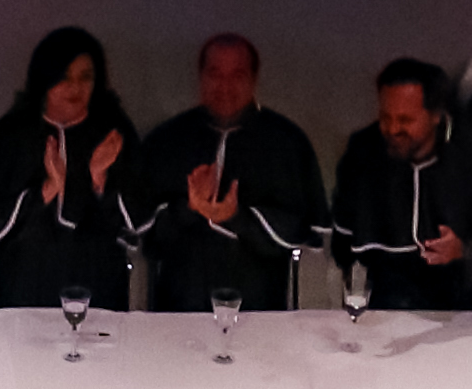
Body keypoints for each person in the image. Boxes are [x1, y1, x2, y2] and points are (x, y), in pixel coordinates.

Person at [122, 34, 327, 311]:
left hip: (260, 309)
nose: (224, 86)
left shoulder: (286, 142)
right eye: (214, 74)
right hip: (179, 307)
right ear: (201, 77)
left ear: (254, 79)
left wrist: (237, 218)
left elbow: (301, 230)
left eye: (238, 75)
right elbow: (144, 234)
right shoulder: (167, 139)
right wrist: (188, 209)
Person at [329, 55, 472, 313]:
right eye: (385, 117)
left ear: (436, 115)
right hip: (392, 306)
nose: (392, 128)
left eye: (405, 120)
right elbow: (344, 238)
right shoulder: (364, 150)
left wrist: (466, 249)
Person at [0, 28, 138, 313]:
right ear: (45, 79)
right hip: (21, 284)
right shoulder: (11, 134)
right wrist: (49, 188)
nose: (75, 88)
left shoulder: (113, 133)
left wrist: (99, 179)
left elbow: (133, 226)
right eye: (64, 77)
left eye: (85, 77)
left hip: (94, 283)